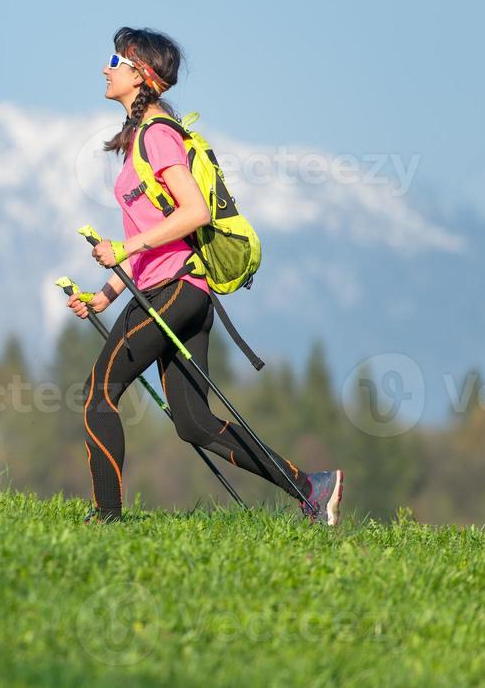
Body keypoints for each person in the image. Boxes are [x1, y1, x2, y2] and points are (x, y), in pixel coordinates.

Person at [68, 27, 345, 525]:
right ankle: (311, 488)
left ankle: (105, 518)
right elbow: (156, 233)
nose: (105, 67)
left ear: (141, 75)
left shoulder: (157, 136)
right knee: (194, 424)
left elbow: (193, 212)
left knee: (99, 394)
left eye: (116, 59)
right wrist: (105, 297)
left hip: (172, 291)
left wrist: (124, 248)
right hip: (176, 290)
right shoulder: (140, 139)